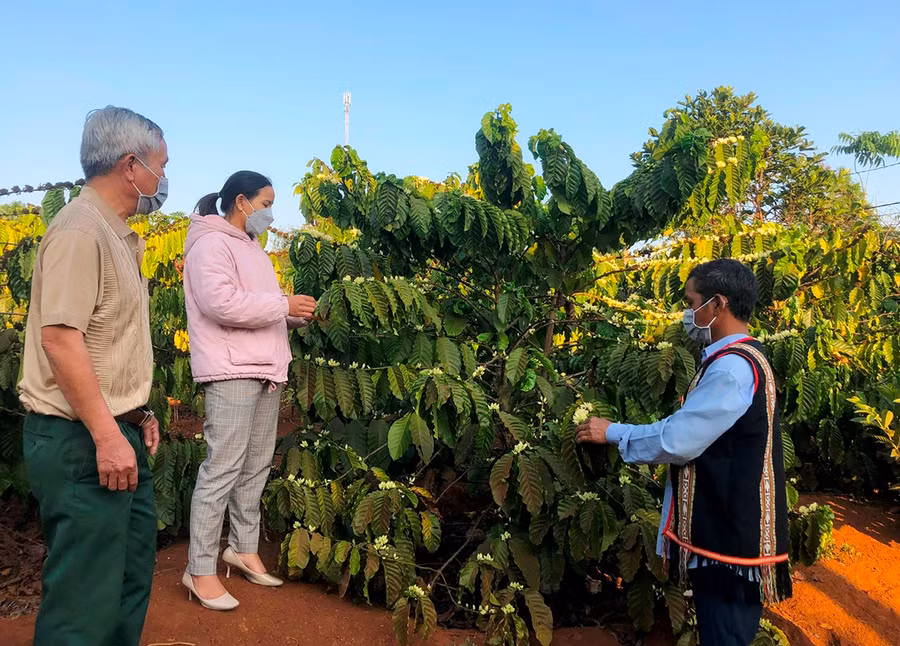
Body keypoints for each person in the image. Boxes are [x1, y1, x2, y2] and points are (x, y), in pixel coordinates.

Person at [576, 259, 792, 646]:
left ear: (717, 304)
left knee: (725, 636)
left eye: (692, 302)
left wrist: (612, 432)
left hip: (729, 546)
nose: (689, 313)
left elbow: (678, 439)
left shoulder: (731, 370)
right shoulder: (738, 360)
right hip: (729, 541)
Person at [19, 106, 166, 646]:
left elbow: (107, 341)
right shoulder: (81, 232)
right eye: (160, 166)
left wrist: (134, 412)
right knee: (85, 601)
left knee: (127, 580)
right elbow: (60, 339)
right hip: (82, 439)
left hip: (113, 432)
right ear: (132, 166)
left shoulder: (119, 235)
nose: (162, 180)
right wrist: (107, 433)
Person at [182, 171, 317, 610]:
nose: (270, 212)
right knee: (222, 467)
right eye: (266, 202)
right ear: (242, 202)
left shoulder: (252, 249)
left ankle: (241, 547)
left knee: (255, 466)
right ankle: (199, 569)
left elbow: (258, 308)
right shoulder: (211, 243)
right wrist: (282, 305)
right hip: (231, 370)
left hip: (265, 368)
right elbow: (220, 302)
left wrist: (293, 315)